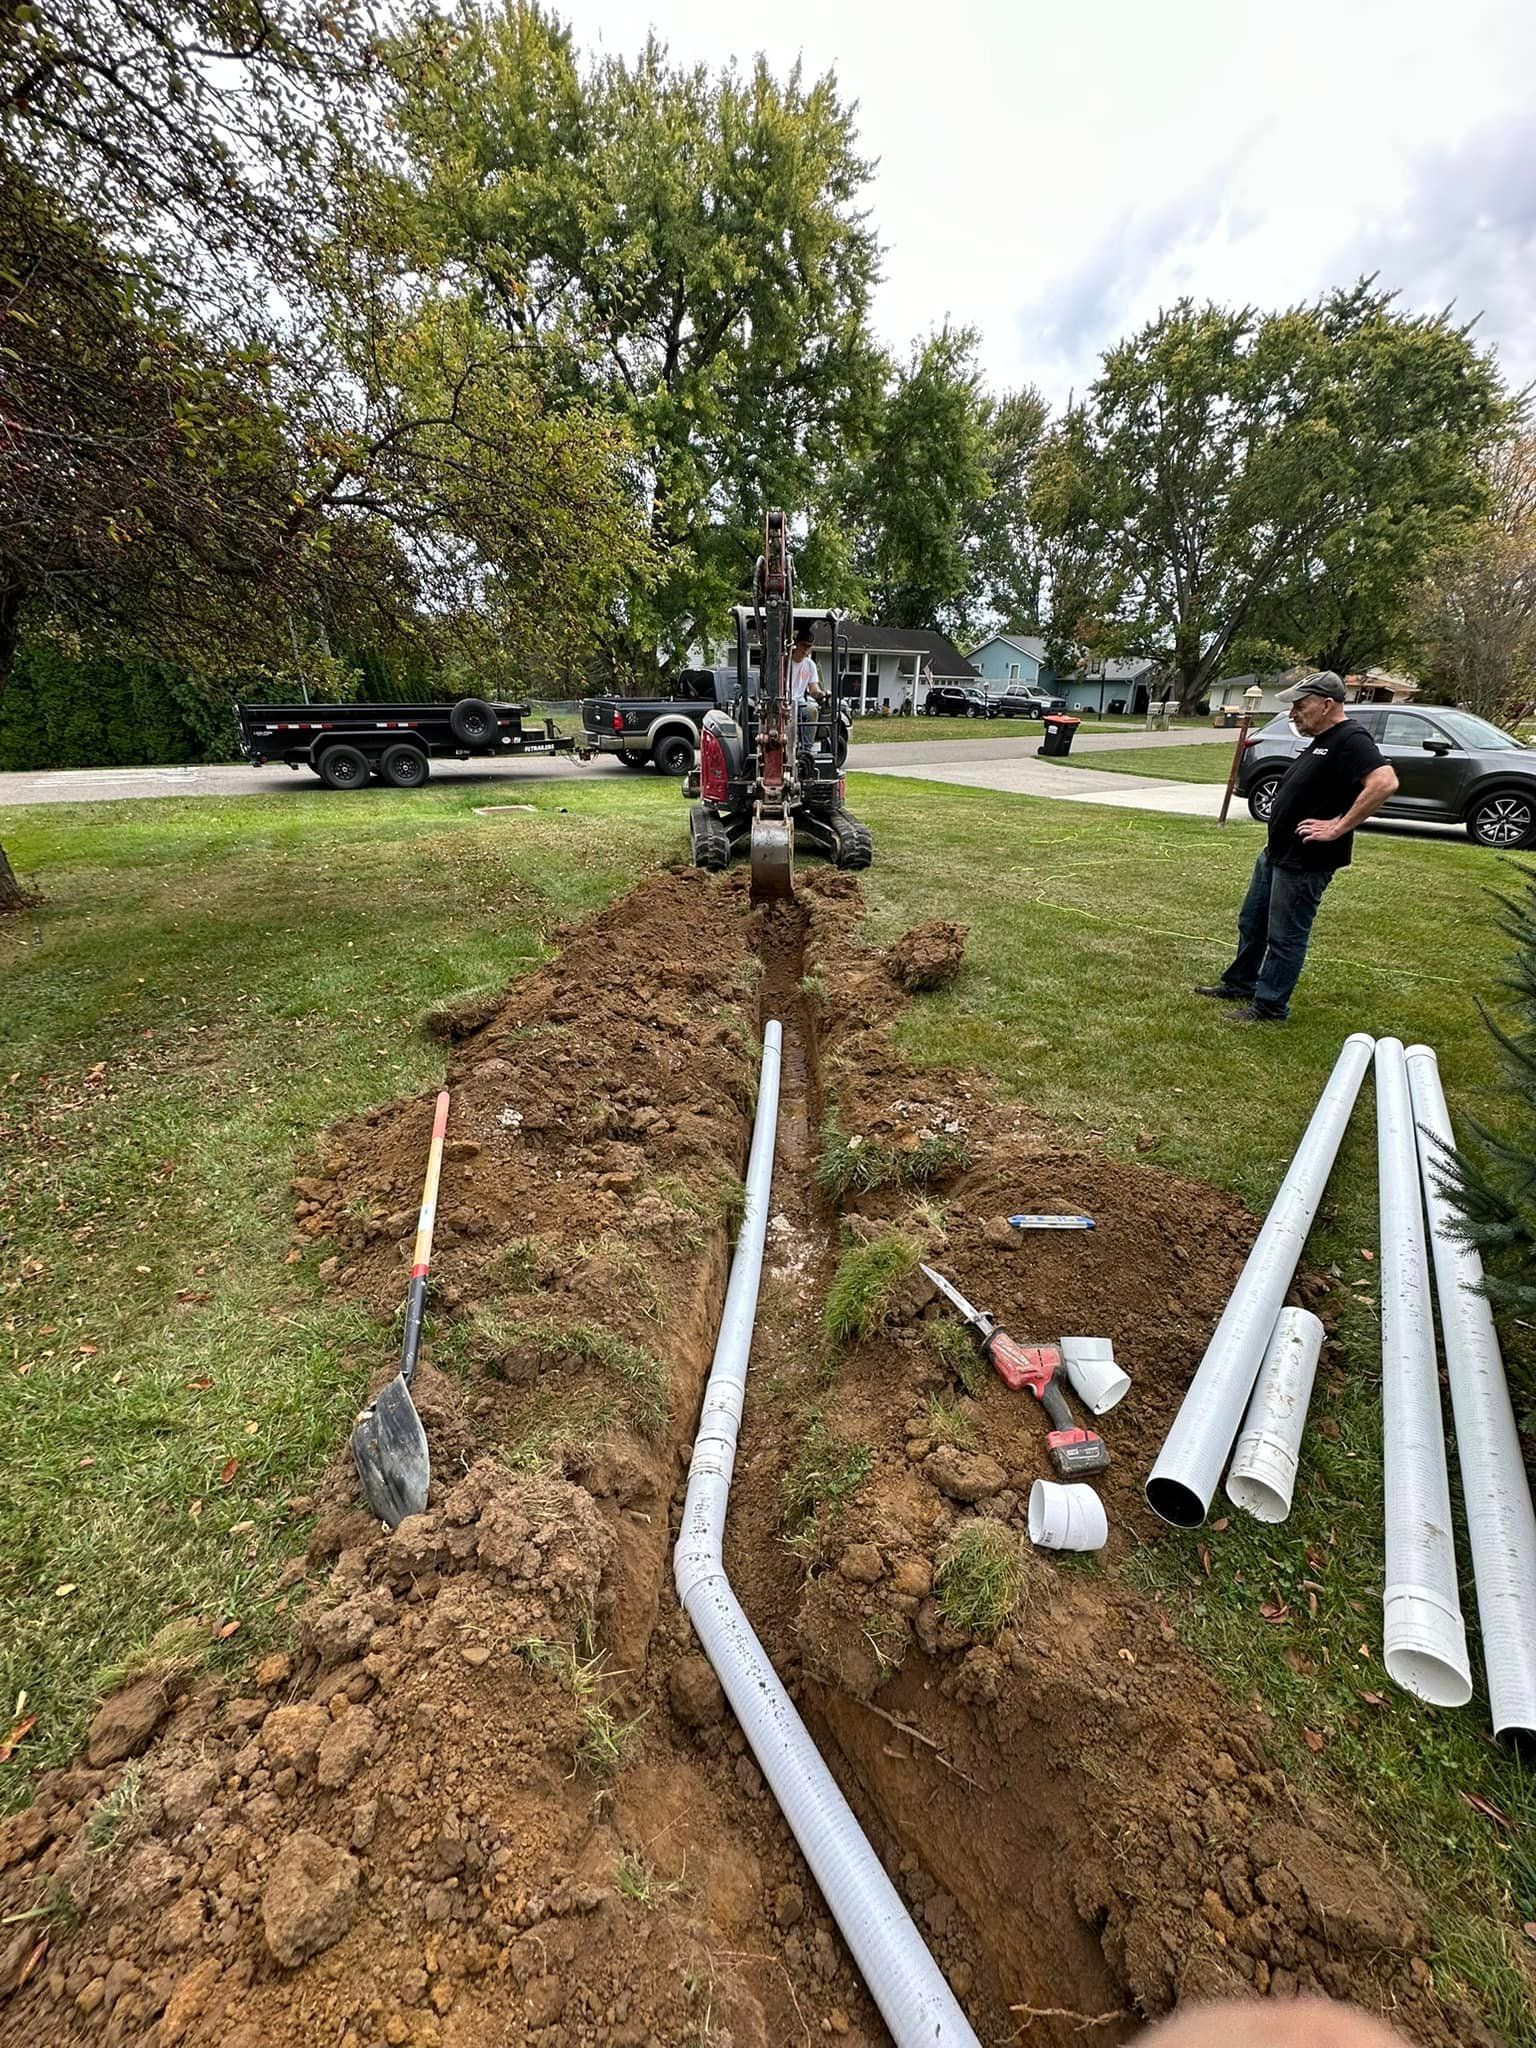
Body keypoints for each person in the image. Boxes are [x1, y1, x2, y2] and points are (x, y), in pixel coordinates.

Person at [1195, 673, 1397, 1024]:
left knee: (1284, 935)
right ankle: (1242, 982)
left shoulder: (1350, 738)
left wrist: (1338, 826)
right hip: (1277, 852)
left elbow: (1385, 782)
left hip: (1306, 860)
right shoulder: (1323, 738)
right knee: (1252, 922)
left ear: (1327, 704)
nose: (1293, 714)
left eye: (1301, 706)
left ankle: (1270, 1006)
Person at [789, 627, 826, 752]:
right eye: (803, 645)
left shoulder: (810, 665)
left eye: (809, 646)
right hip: (784, 702)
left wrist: (821, 694)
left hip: (800, 704)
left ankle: (806, 751)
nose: (806, 650)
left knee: (812, 711)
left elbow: (813, 689)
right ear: (796, 644)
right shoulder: (784, 662)